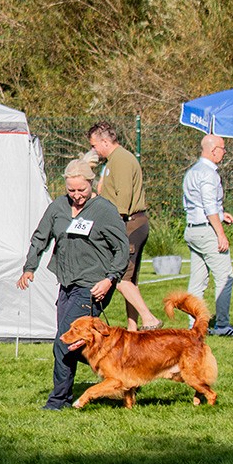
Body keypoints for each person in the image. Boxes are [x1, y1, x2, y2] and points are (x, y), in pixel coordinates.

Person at [17, 158, 130, 410]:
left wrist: (110, 279)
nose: (77, 195)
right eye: (71, 190)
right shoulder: (58, 207)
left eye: (82, 190)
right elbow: (40, 237)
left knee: (63, 342)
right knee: (73, 342)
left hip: (92, 287)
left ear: (91, 185)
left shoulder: (104, 211)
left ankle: (58, 401)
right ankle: (122, 369)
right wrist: (29, 267)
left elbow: (122, 248)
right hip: (66, 285)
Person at [87, 121, 163, 331]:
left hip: (128, 224)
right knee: (130, 281)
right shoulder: (114, 160)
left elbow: (124, 197)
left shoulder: (120, 160)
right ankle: (133, 327)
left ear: (104, 141)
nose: (93, 150)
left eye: (94, 145)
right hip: (131, 223)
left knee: (119, 277)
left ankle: (150, 319)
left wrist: (114, 228)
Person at [182, 133, 233, 336]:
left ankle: (193, 324)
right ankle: (223, 325)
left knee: (197, 280)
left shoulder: (192, 171)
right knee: (225, 276)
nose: (224, 152)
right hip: (206, 230)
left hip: (192, 228)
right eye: (223, 148)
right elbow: (208, 206)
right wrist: (220, 234)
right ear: (213, 150)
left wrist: (220, 213)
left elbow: (197, 203)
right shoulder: (209, 173)